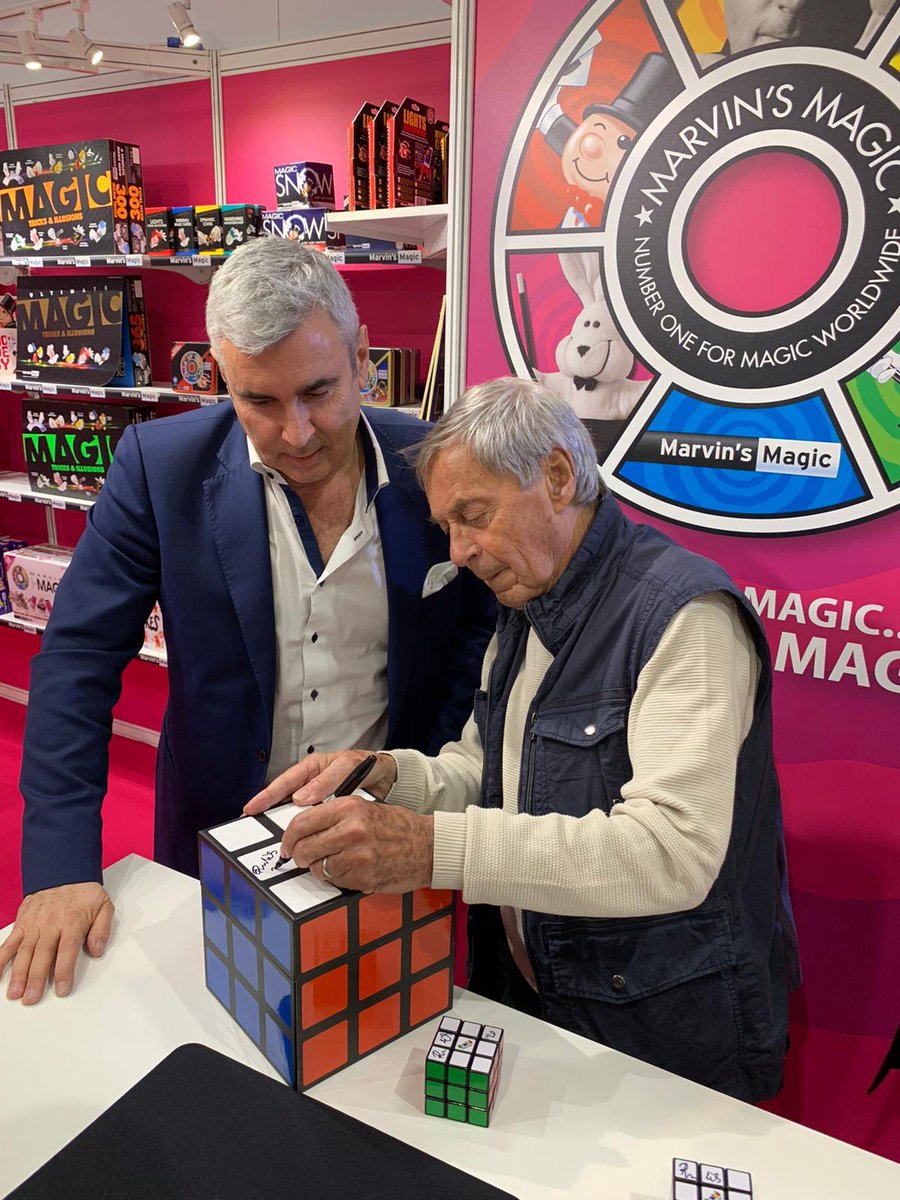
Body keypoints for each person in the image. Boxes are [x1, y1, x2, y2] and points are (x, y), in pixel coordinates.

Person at [247, 376, 801, 1104]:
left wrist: (431, 850)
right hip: (543, 1001)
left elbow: (672, 852)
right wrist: (385, 775)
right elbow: (487, 767)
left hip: (659, 1031)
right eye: (448, 525)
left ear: (558, 477)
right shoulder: (529, 597)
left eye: (473, 516)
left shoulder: (684, 616)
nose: (460, 550)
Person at [0, 239, 495, 1005]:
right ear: (220, 377)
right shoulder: (159, 467)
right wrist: (61, 866)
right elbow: (78, 658)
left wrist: (420, 789)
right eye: (260, 401)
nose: (298, 432)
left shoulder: (434, 463)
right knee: (215, 1039)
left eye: (319, 392)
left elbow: (475, 641)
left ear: (362, 357)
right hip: (217, 836)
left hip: (388, 839)